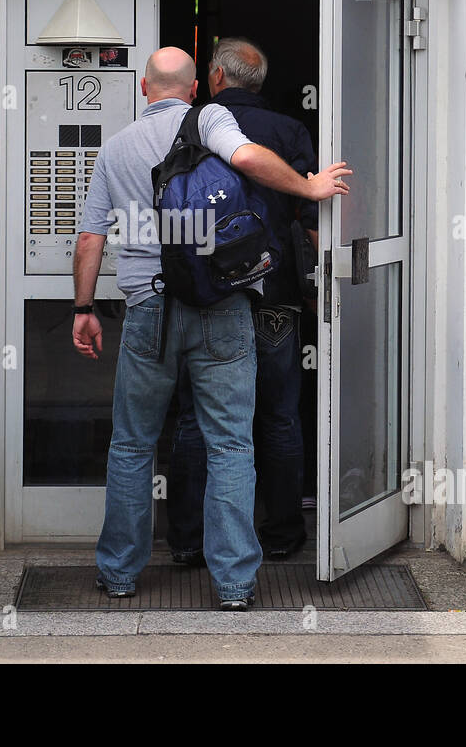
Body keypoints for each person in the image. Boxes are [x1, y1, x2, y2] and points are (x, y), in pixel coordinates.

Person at [72, 46, 350, 610]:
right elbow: (247, 160)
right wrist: (310, 187)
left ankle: (121, 573)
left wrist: (83, 310)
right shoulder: (213, 120)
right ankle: (234, 584)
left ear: (146, 89)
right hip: (220, 305)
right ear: (197, 88)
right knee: (230, 443)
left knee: (131, 445)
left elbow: (90, 238)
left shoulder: (118, 147)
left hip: (148, 308)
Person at [166, 37, 318, 564]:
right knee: (279, 416)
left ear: (214, 79)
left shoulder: (191, 125)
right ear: (258, 82)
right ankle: (281, 533)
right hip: (274, 293)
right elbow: (313, 224)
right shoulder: (291, 131)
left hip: (208, 295)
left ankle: (187, 540)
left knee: (196, 418)